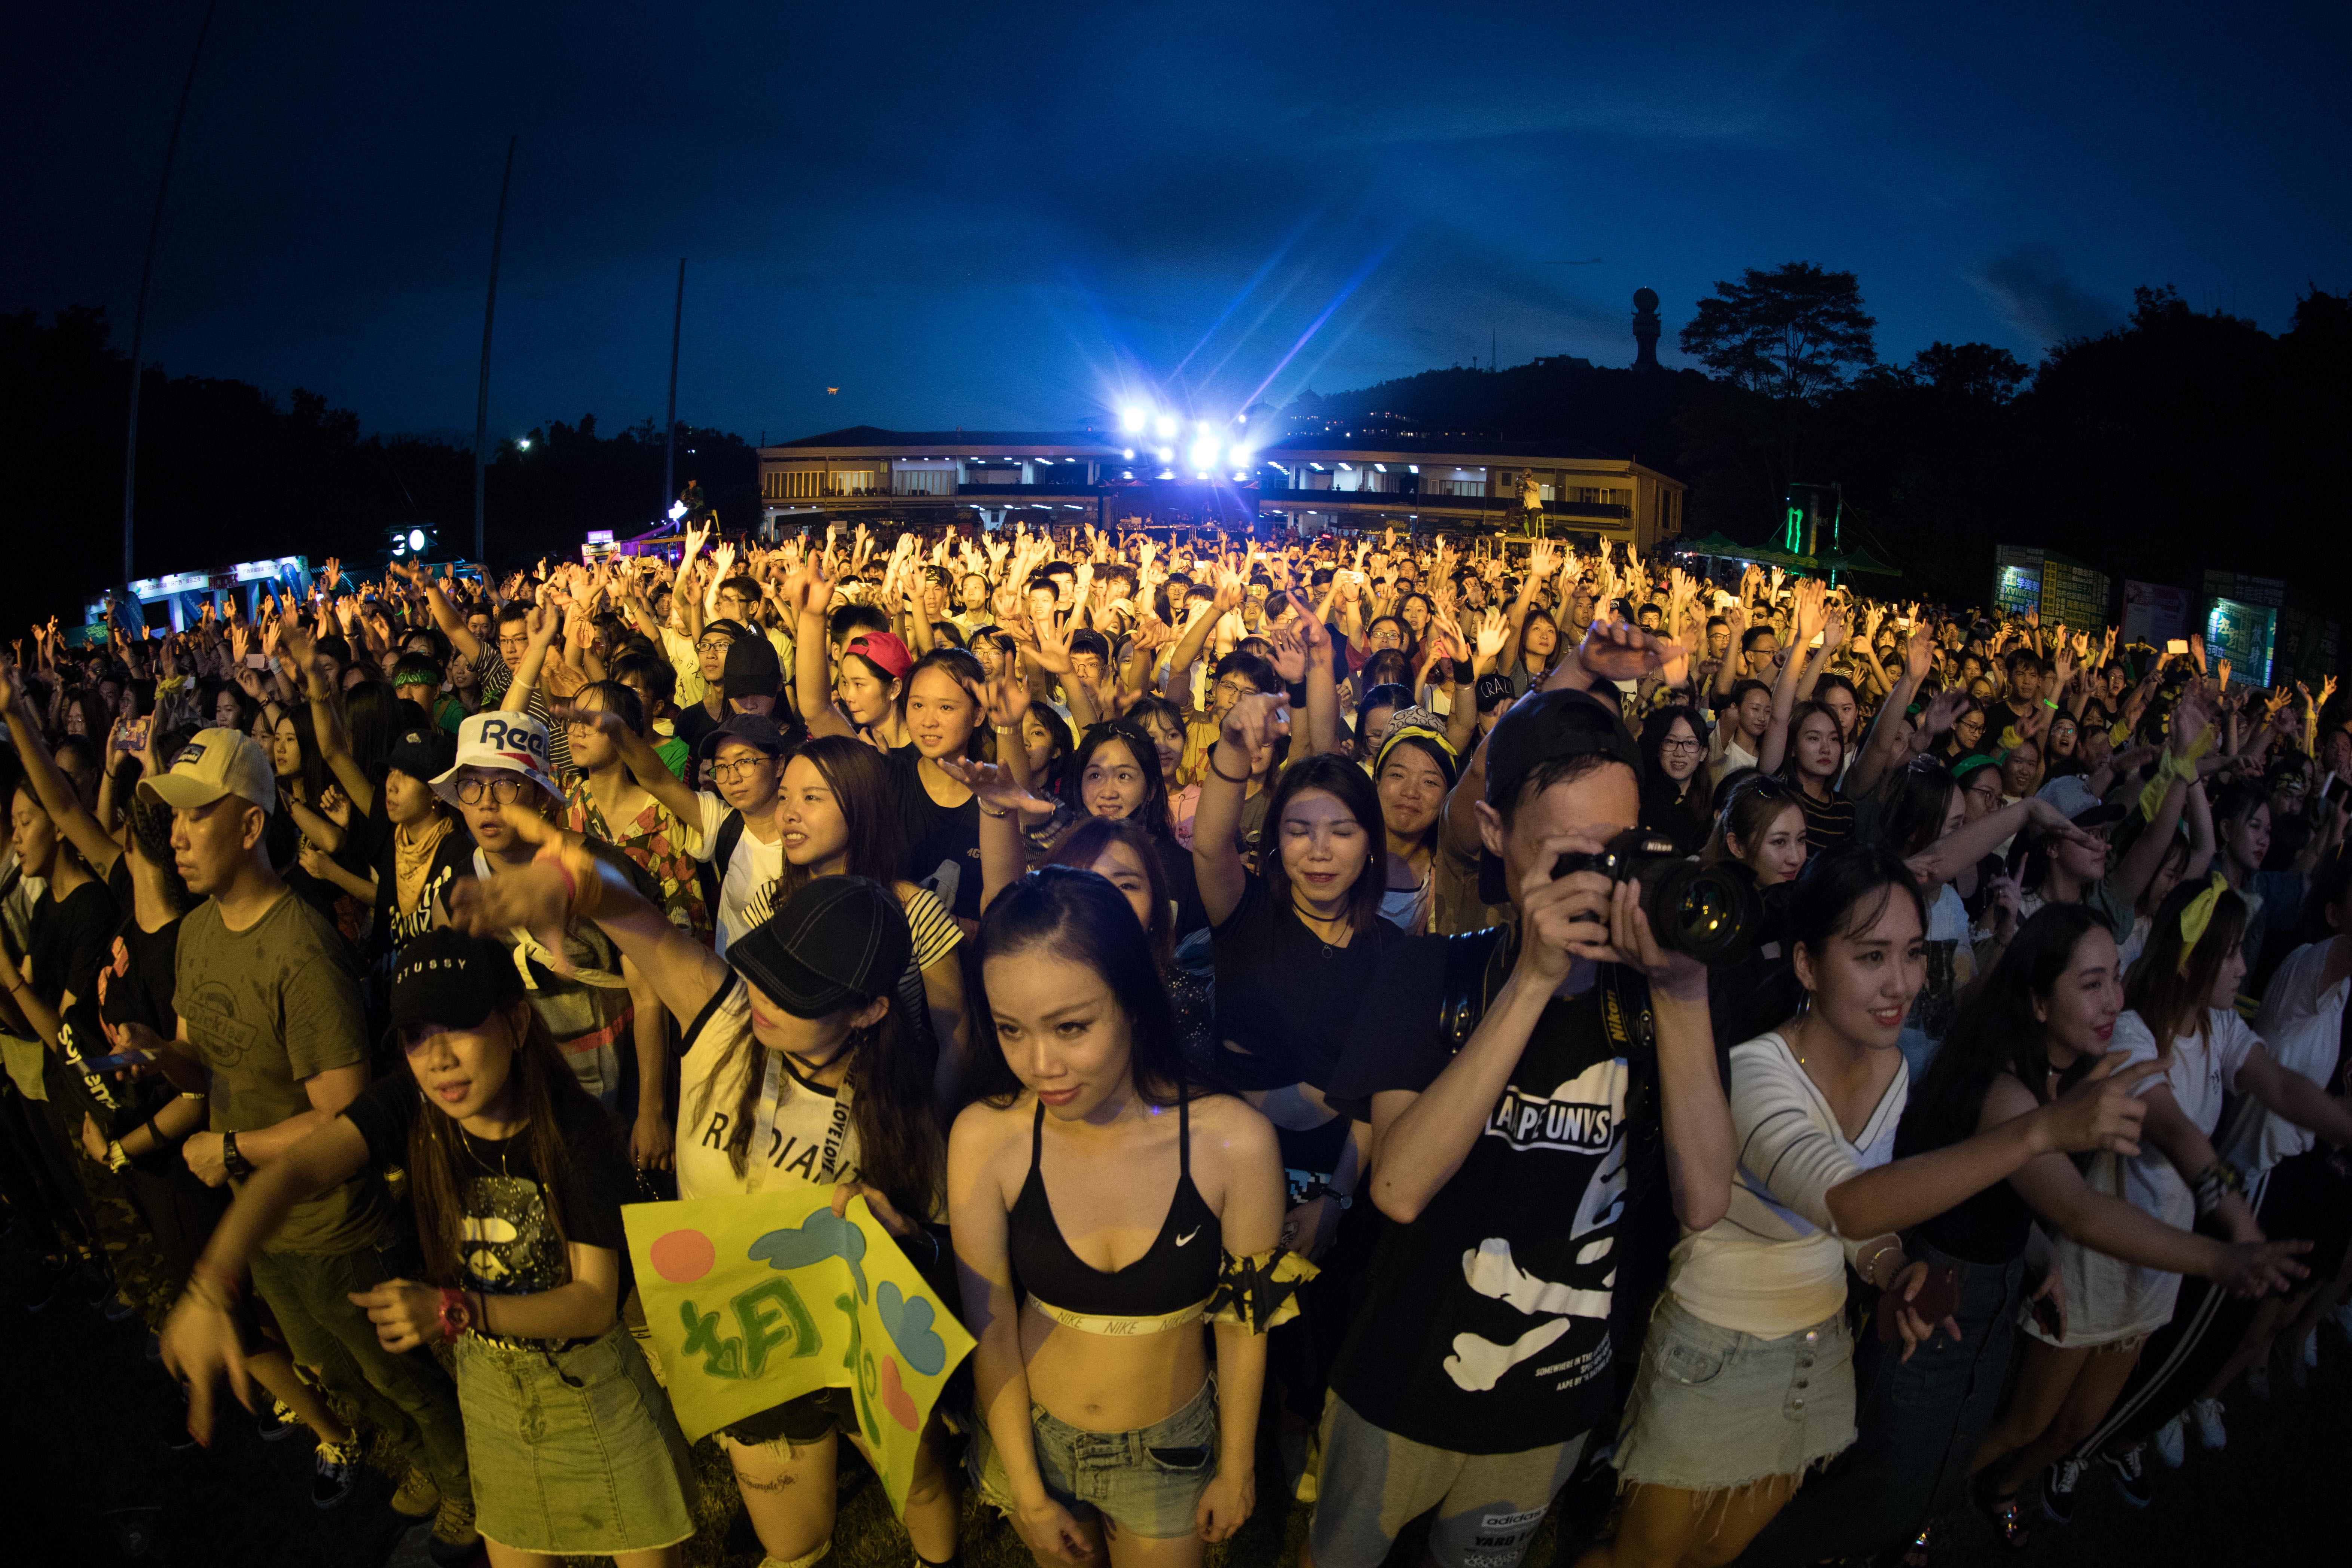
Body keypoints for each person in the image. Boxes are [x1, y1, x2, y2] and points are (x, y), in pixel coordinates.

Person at [1585, 848, 2153, 1568]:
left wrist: (1891, 1269)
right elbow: (1845, 1201)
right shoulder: (1758, 1074)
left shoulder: (1890, 1067)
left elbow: (1857, 1226)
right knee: (1642, 1558)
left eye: (1913, 953)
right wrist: (2037, 1133)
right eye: (1871, 956)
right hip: (1715, 1353)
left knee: (1720, 1553)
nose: (1901, 983)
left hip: (1813, 1353)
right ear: (1807, 964)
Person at [449, 828, 962, 1568]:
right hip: (745, 1341)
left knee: (921, 1484)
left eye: (799, 993)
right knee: (793, 1539)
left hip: (859, 1347)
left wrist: (901, 1233)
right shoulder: (722, 1016)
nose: (767, 997)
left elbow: (945, 1247)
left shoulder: (902, 1114)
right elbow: (626, 908)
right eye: (766, 970)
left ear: (868, 1011)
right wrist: (566, 885)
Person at [1309, 685, 1735, 1568]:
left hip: (1551, 1394)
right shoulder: (1429, 972)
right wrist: (1532, 981)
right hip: (1403, 1373)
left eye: (1619, 851)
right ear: (1496, 831)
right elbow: (1397, 1185)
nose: (1601, 882)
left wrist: (1683, 990)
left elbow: (1703, 1199)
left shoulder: (1659, 995)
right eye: (1570, 858)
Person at [161, 930, 697, 1567]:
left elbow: (592, 1304)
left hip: (596, 1395)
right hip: (495, 1395)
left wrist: (454, 1310)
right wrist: (212, 1285)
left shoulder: (576, 1131)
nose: (437, 1057)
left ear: (517, 1022)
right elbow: (294, 1171)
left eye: (460, 1025)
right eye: (416, 1035)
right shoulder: (415, 1102)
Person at [130, 728, 479, 1558]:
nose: (176, 836)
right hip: (269, 1224)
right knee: (337, 1368)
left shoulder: (301, 945)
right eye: (173, 818)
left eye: (197, 815)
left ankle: (473, 1491)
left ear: (251, 826)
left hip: (334, 1224)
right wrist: (160, 1053)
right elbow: (203, 1063)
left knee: (399, 1372)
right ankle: (428, 1463)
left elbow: (345, 1112)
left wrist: (233, 1150)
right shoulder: (196, 933)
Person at [1972, 875, 2352, 1527]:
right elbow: (2177, 1133)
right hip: (2099, 1255)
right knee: (2025, 1419)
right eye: (2228, 953)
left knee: (2076, 1426)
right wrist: (2239, 1234)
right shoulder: (2131, 1032)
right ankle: (1919, 1504)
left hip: (2155, 1266)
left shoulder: (2219, 1026)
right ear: (2187, 958)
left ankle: (2002, 1486)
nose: (2242, 967)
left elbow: (2284, 1087)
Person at [951, 868, 1299, 1565]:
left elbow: (1245, 1322)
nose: (1041, 1064)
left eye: (1071, 1027)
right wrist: (1027, 1491)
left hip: (1170, 1446)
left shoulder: (1235, 1142)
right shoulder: (986, 1137)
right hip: (1032, 1434)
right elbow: (990, 1328)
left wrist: (1237, 1465)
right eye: (1011, 1030)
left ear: (1135, 1003)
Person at [1370, 711, 1457, 935]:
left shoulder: (1442, 875)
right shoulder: (1344, 847)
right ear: (1377, 780)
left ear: (1447, 796)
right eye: (1398, 775)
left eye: (1430, 782)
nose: (1411, 792)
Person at [1636, 704, 1711, 856]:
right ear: (1659, 747)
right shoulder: (1639, 797)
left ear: (1703, 753)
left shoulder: (1709, 810)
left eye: (1690, 743)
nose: (1679, 753)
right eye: (1671, 741)